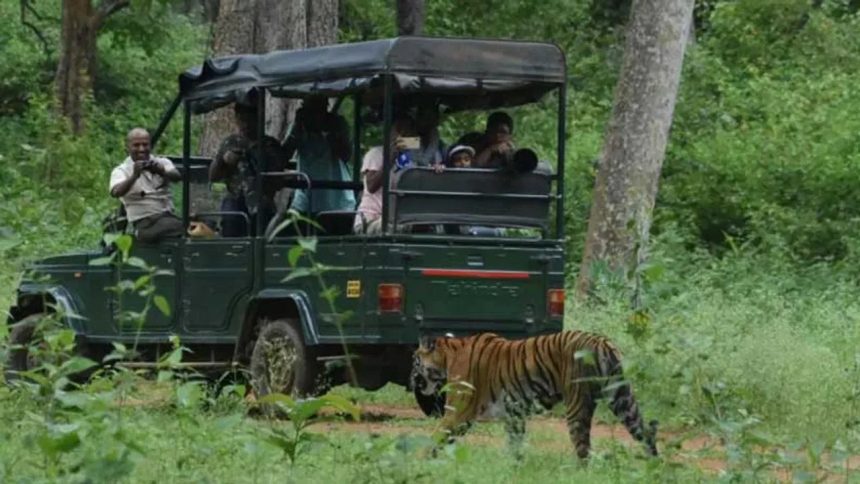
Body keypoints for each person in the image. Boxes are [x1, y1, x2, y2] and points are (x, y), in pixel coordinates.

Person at [209, 98, 288, 237]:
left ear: (258, 118)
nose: (245, 125)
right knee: (231, 226)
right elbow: (213, 176)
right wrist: (224, 160)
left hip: (262, 202)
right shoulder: (230, 142)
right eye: (241, 120)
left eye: (249, 119)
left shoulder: (270, 145)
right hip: (235, 200)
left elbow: (278, 180)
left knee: (265, 235)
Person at [283, 96, 356, 214]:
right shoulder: (300, 127)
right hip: (306, 193)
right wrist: (297, 128)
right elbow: (285, 155)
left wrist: (328, 133)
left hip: (336, 195)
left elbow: (346, 155)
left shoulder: (336, 124)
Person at [109, 128, 183, 243]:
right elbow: (116, 192)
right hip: (145, 223)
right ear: (128, 147)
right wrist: (134, 176)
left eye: (145, 145)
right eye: (136, 145)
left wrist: (160, 171)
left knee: (199, 225)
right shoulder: (122, 170)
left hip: (166, 216)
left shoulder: (162, 162)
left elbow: (177, 177)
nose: (141, 149)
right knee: (183, 227)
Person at [354, 115, 416, 235]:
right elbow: (371, 186)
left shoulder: (410, 161)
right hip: (370, 220)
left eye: (408, 133)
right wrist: (390, 158)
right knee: (392, 228)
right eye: (400, 131)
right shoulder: (375, 154)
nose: (403, 136)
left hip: (399, 218)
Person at [411, 101, 446, 168]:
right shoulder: (406, 141)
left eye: (433, 117)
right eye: (425, 117)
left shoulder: (441, 146)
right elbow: (422, 162)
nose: (429, 122)